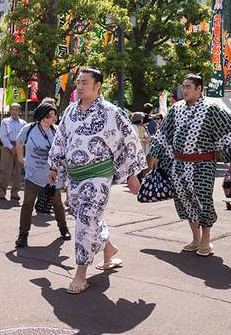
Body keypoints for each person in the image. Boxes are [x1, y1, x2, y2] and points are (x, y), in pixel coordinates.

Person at [48, 68, 146, 294]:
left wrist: (133, 173)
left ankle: (80, 274)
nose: (79, 86)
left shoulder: (111, 112)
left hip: (98, 177)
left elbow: (130, 139)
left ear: (97, 85)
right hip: (74, 178)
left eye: (84, 82)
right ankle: (109, 248)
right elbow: (61, 139)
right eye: (78, 82)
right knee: (88, 220)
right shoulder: (71, 110)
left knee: (85, 221)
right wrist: (54, 165)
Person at [149, 74, 231, 257]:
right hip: (178, 164)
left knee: (203, 199)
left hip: (202, 164)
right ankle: (195, 238)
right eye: (183, 86)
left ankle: (206, 239)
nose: (184, 90)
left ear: (199, 89)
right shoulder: (175, 109)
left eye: (188, 87)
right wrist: (155, 153)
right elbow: (163, 134)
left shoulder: (212, 109)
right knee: (184, 200)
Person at [14, 102, 70, 248]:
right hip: (33, 175)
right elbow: (19, 142)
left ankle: (63, 229)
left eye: (54, 114)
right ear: (42, 116)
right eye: (49, 115)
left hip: (52, 175)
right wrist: (21, 158)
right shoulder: (30, 128)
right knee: (27, 204)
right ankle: (23, 235)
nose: (53, 117)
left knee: (57, 204)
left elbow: (64, 150)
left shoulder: (57, 130)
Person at [0, 103, 27, 201]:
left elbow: (25, 136)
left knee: (18, 171)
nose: (14, 111)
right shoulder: (5, 121)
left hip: (19, 146)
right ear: (10, 110)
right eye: (12, 109)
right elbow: (3, 136)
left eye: (16, 109)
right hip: (7, 147)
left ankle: (15, 193)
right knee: (5, 170)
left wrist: (19, 147)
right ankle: (1, 193)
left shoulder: (23, 123)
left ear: (20, 111)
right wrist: (11, 147)